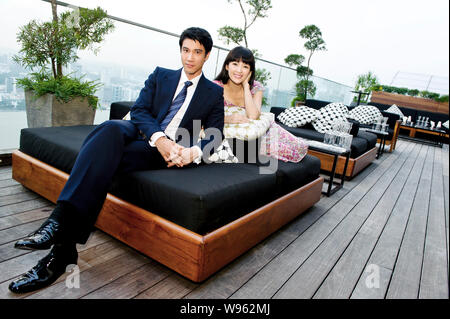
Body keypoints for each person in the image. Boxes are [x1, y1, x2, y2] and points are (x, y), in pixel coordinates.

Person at [9, 27, 224, 294]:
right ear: (180, 50)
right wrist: (160, 138)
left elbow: (216, 135)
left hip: (165, 153)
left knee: (100, 157)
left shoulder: (213, 94)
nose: (190, 57)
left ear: (207, 56)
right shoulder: (161, 75)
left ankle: (60, 242)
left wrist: (190, 152)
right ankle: (61, 236)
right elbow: (140, 110)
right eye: (186, 50)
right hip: (143, 133)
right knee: (110, 128)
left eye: (197, 52)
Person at [213, 46, 308, 163]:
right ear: (227, 66)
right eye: (235, 64)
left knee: (299, 147)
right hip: (241, 134)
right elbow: (205, 116)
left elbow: (253, 115)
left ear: (250, 71)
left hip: (262, 131)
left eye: (245, 66)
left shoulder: (256, 87)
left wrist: (246, 87)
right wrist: (229, 118)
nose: (239, 70)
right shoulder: (215, 87)